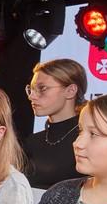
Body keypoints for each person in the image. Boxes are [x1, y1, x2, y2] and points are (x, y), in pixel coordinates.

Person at [22, 58, 87, 192]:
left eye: (42, 88)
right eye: (31, 89)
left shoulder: (86, 142)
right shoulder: (31, 142)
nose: (31, 96)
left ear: (71, 90)